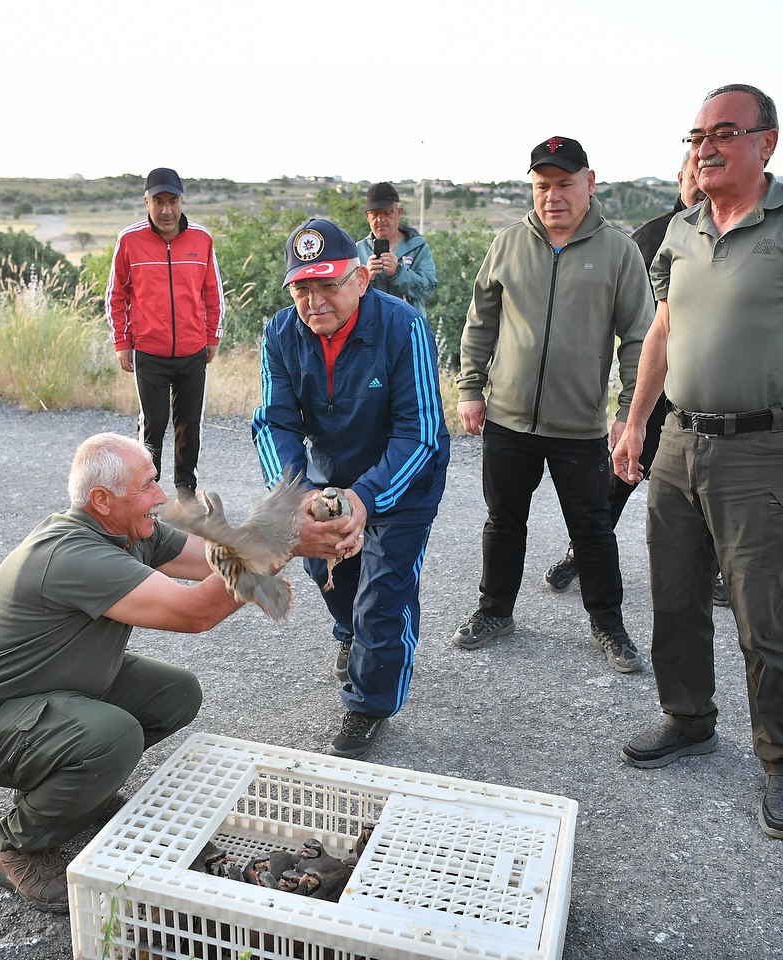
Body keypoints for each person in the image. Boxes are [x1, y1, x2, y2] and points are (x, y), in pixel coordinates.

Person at [612, 84, 783, 841]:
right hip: (680, 441)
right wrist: (636, 421)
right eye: (697, 134)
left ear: (767, 143)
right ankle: (689, 718)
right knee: (673, 596)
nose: (706, 147)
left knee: (759, 612)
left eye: (725, 133)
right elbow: (664, 333)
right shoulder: (681, 228)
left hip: (768, 447)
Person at [0, 432, 254, 913]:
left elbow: (207, 561)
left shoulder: (127, 530)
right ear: (102, 499)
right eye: (147, 486)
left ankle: (78, 791)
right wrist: (270, 558)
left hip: (42, 691)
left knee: (174, 693)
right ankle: (20, 848)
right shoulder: (74, 555)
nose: (160, 497)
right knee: (113, 738)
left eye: (156, 481)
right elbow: (193, 613)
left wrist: (276, 537)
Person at [452, 136, 653, 674]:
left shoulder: (619, 251)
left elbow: (640, 337)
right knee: (503, 520)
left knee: (592, 528)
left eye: (564, 184)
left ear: (589, 182)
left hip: (579, 425)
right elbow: (481, 322)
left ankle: (608, 624)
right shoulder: (508, 244)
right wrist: (471, 388)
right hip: (508, 419)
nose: (553, 196)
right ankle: (495, 611)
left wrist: (628, 412)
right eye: (542, 186)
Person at [253, 218, 449, 760]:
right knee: (329, 568)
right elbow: (274, 423)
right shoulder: (279, 334)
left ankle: (368, 705)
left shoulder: (403, 325)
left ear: (361, 280)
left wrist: (366, 498)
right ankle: (351, 634)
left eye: (329, 284)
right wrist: (296, 499)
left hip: (404, 477)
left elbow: (422, 430)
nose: (315, 301)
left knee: (384, 594)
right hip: (327, 475)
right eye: (302, 289)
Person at [542, 151, 730, 606]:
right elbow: (634, 322)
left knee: (711, 486)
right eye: (692, 179)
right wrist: (630, 403)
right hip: (659, 387)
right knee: (619, 476)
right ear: (680, 180)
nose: (700, 189)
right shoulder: (652, 236)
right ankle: (582, 553)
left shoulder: (737, 234)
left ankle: (710, 571)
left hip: (716, 391)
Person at [106, 167, 224, 500]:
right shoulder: (129, 240)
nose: (167, 210)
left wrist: (212, 337)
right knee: (153, 424)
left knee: (189, 426)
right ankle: (146, 492)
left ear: (181, 201)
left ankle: (186, 494)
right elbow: (116, 294)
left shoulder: (201, 239)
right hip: (149, 352)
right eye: (159, 201)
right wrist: (121, 342)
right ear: (147, 202)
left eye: (173, 201)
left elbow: (213, 293)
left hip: (192, 351)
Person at [355, 182, 438, 320]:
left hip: (409, 327)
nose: (380, 219)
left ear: (399, 213)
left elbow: (429, 287)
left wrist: (398, 273)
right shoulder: (357, 250)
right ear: (367, 216)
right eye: (375, 214)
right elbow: (346, 295)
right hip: (371, 330)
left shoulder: (417, 247)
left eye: (387, 212)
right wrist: (366, 279)